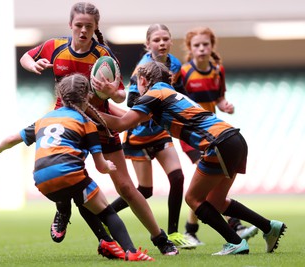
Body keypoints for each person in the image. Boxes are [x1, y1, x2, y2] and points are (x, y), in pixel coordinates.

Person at [19, 2, 178, 257]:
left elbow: (120, 95)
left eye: (89, 27)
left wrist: (112, 92)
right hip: (67, 125)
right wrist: (33, 65)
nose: (83, 30)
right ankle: (65, 211)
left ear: (95, 28)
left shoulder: (103, 56)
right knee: (68, 177)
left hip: (100, 123)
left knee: (126, 187)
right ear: (71, 25)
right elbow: (26, 56)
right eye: (79, 25)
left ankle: (160, 238)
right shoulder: (55, 47)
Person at [93, 60, 287, 255]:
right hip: (234, 139)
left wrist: (87, 109)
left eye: (137, 83)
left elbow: (120, 125)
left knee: (193, 198)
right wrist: (107, 104)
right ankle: (269, 227)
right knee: (217, 201)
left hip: (217, 143)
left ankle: (235, 242)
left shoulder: (153, 95)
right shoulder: (167, 94)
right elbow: (130, 118)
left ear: (143, 80)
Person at [0, 74, 154, 261]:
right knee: (105, 210)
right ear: (88, 96)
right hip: (68, 175)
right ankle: (131, 252)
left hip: (41, 181)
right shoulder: (86, 123)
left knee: (81, 193)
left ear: (60, 95)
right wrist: (109, 166)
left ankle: (70, 214)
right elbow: (101, 167)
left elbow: (12, 139)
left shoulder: (45, 119)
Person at [109, 24, 196, 249]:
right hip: (138, 135)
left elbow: (181, 92)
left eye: (165, 39)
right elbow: (131, 102)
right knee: (144, 191)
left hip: (160, 132)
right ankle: (105, 213)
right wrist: (156, 106)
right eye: (157, 40)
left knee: (177, 178)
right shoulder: (142, 69)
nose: (162, 43)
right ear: (148, 45)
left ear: (171, 41)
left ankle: (175, 233)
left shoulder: (175, 64)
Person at [180, 26, 258, 245]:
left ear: (212, 46)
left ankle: (191, 229)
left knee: (203, 187)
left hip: (212, 134)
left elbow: (219, 99)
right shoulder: (184, 73)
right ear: (190, 48)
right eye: (197, 45)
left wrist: (226, 106)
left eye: (205, 44)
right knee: (207, 181)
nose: (202, 48)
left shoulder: (217, 71)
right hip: (191, 135)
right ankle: (235, 224)